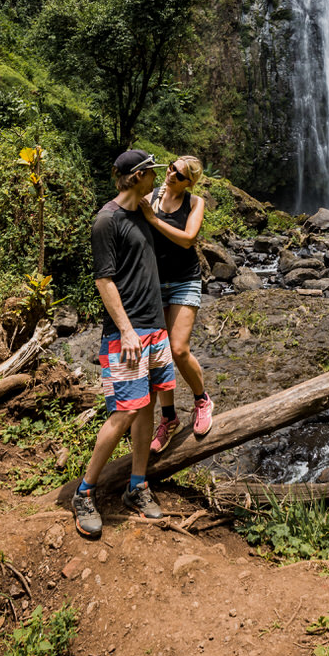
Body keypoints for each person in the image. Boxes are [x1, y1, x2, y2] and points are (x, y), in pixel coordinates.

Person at [71, 149, 175, 540]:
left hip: (154, 327)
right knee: (124, 413)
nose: (158, 179)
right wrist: (127, 330)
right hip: (127, 334)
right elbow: (104, 280)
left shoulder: (142, 213)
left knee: (146, 405)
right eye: (153, 173)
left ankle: (137, 485)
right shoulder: (107, 220)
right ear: (137, 177)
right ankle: (84, 492)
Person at [138, 155, 214, 452]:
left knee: (178, 349)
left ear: (189, 182)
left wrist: (153, 219)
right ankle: (168, 418)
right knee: (158, 353)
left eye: (179, 174)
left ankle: (202, 399)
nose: (171, 174)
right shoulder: (150, 197)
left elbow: (188, 239)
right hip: (154, 281)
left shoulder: (194, 203)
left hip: (184, 279)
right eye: (171, 167)